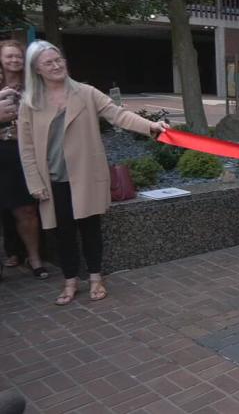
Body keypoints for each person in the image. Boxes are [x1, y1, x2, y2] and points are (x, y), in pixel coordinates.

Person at [17, 40, 168, 305]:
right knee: (62, 233)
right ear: (37, 70)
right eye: (48, 63)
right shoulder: (30, 103)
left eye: (58, 59)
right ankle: (70, 280)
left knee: (90, 229)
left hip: (85, 175)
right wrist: (34, 181)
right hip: (53, 179)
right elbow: (26, 147)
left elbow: (118, 115)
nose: (56, 66)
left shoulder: (85, 92)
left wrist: (152, 126)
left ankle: (96, 278)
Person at [0, 40, 46, 278]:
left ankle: (34, 258)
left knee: (25, 208)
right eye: (9, 56)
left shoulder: (32, 85)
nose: (14, 61)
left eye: (18, 56)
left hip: (22, 150)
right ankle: (11, 252)